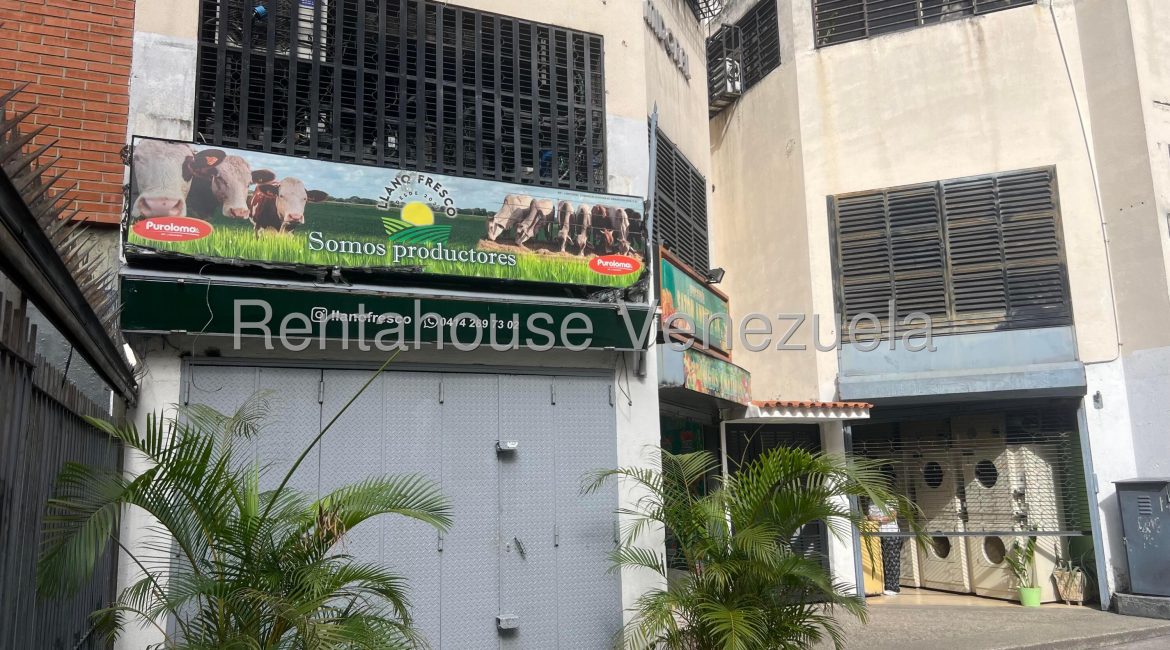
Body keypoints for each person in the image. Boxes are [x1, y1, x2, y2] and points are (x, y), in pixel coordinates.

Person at [867, 500, 902, 596]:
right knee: (882, 561)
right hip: (877, 535)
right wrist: (877, 518)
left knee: (892, 561)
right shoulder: (871, 501)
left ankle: (893, 587)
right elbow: (869, 517)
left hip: (891, 533)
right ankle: (884, 585)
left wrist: (879, 519)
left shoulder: (890, 500)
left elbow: (893, 515)